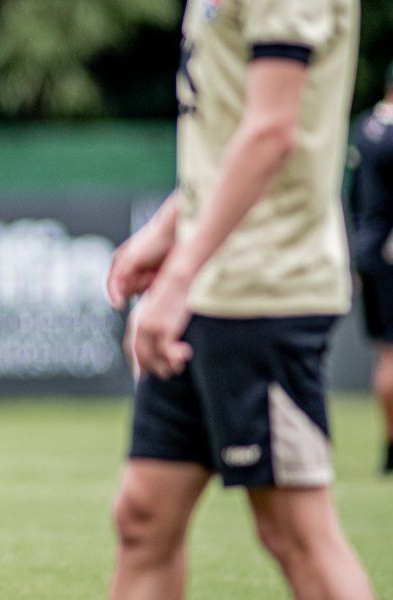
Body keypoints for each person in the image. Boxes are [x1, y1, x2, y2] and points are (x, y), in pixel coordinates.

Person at [105, 0, 374, 597]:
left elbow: (274, 130)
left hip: (265, 283)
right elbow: (229, 126)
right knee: (143, 516)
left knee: (294, 532)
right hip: (212, 278)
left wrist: (178, 277)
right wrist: (167, 231)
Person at [348, 60, 393, 475]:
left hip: (368, 249)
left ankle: (389, 446)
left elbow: (353, 198)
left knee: (386, 354)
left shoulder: (364, 129)